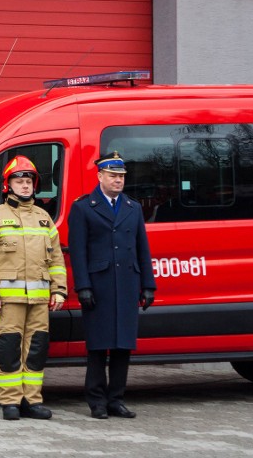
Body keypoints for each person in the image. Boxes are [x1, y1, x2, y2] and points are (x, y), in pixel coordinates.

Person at [0, 156, 68, 420]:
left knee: (36, 350)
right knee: (9, 350)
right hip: (6, 301)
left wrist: (59, 289)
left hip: (39, 301)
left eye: (28, 181)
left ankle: (32, 401)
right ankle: (10, 402)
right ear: (8, 185)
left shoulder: (44, 219)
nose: (25, 186)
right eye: (19, 181)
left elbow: (57, 258)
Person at [68, 151, 156, 419]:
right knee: (98, 346)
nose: (118, 181)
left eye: (121, 177)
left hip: (127, 284)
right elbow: (78, 251)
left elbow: (143, 247)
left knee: (122, 346)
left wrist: (148, 285)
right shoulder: (84, 207)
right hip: (99, 286)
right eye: (113, 176)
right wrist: (82, 285)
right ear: (100, 176)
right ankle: (96, 401)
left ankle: (116, 399)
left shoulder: (133, 207)